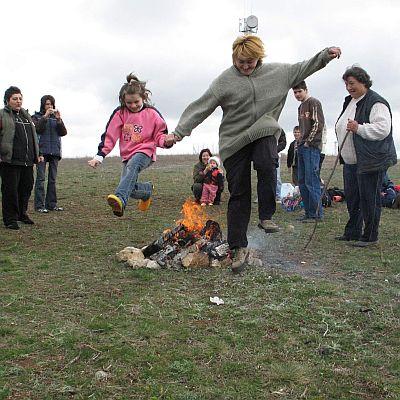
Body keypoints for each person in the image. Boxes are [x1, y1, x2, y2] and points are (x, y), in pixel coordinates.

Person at [165, 35, 341, 272]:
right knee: (239, 192)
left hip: (263, 130)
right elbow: (201, 106)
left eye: (250, 62)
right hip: (234, 140)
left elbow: (303, 67)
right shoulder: (224, 82)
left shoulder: (278, 73)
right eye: (241, 62)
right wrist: (178, 133)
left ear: (259, 58)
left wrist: (324, 56)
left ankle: (266, 215)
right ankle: (237, 246)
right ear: (234, 59)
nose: (246, 66)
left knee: (268, 161)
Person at [88, 73, 175, 217]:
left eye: (137, 102)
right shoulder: (120, 113)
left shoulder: (152, 114)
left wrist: (166, 141)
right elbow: (110, 135)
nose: (133, 106)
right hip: (127, 155)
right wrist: (99, 156)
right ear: (123, 101)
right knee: (130, 187)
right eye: (129, 103)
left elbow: (160, 135)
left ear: (143, 98)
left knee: (132, 168)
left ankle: (121, 200)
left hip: (145, 152)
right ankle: (146, 191)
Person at [335, 65, 397, 247]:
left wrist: (359, 128)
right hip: (351, 161)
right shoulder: (350, 101)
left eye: (352, 83)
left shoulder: (376, 102)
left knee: (369, 199)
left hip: (370, 160)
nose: (349, 87)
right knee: (353, 197)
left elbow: (382, 129)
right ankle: (353, 231)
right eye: (346, 84)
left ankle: (370, 236)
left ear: (363, 82)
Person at [0, 86, 43, 230]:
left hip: (28, 161)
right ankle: (10, 219)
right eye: (15, 99)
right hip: (9, 160)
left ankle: (21, 214)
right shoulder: (2, 115)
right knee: (10, 191)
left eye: (20, 98)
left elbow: (34, 137)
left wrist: (38, 154)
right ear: (7, 100)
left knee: (26, 188)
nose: (18, 101)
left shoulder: (26, 116)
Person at [293, 81, 326, 222]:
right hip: (301, 146)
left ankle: (317, 214)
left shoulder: (314, 103)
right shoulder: (300, 107)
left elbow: (318, 124)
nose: (297, 94)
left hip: (311, 147)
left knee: (312, 181)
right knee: (302, 180)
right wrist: (299, 142)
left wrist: (308, 141)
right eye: (295, 92)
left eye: (299, 91)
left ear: (306, 90)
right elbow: (301, 127)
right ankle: (309, 212)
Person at [32, 95, 67, 213]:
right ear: (43, 105)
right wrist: (45, 116)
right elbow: (37, 129)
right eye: (47, 104)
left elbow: (63, 133)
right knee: (41, 179)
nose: (50, 106)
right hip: (42, 152)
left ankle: (52, 204)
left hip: (55, 152)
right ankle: (39, 206)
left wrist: (59, 120)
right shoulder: (36, 117)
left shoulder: (56, 118)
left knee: (52, 179)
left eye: (51, 104)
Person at [276, 129, 287, 202]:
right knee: (263, 177)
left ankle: (278, 195)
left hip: (275, 156)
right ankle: (262, 196)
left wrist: (275, 150)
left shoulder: (278, 129)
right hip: (263, 156)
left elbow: (283, 142)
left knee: (277, 177)